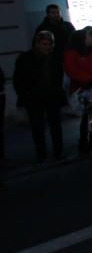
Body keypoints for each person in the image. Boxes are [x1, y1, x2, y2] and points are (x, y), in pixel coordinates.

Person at [14, 31, 66, 163]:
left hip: (51, 96)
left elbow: (58, 78)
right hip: (34, 98)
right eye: (44, 44)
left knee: (55, 126)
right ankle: (41, 154)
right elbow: (18, 80)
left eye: (50, 44)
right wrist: (25, 95)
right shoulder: (25, 58)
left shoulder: (55, 57)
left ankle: (58, 152)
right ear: (37, 44)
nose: (47, 47)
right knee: (38, 127)